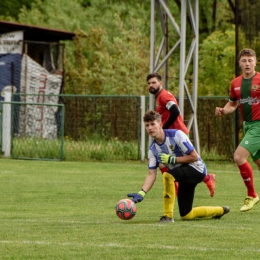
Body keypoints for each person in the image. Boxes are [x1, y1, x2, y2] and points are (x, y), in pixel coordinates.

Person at [127, 110, 229, 221]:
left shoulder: (176, 135)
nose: (150, 128)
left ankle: (168, 216)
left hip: (197, 169)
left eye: (153, 124)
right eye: (147, 125)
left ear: (160, 125)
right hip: (184, 177)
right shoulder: (152, 150)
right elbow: (151, 174)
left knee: (167, 175)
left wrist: (172, 159)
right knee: (186, 215)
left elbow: (194, 157)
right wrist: (141, 193)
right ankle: (220, 210)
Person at [147, 72, 216, 223]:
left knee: (170, 168)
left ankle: (169, 212)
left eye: (153, 82)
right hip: (169, 137)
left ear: (160, 83)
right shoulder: (160, 97)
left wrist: (163, 128)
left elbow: (175, 111)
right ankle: (204, 179)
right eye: (149, 83)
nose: (151, 86)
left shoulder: (163, 96)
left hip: (176, 136)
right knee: (164, 165)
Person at [215, 48, 260, 212]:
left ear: (255, 62)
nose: (247, 63)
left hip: (259, 125)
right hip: (248, 125)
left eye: (250, 60)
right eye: (244, 60)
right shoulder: (235, 83)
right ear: (239, 63)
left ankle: (252, 195)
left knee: (239, 157)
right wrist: (223, 110)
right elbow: (233, 104)